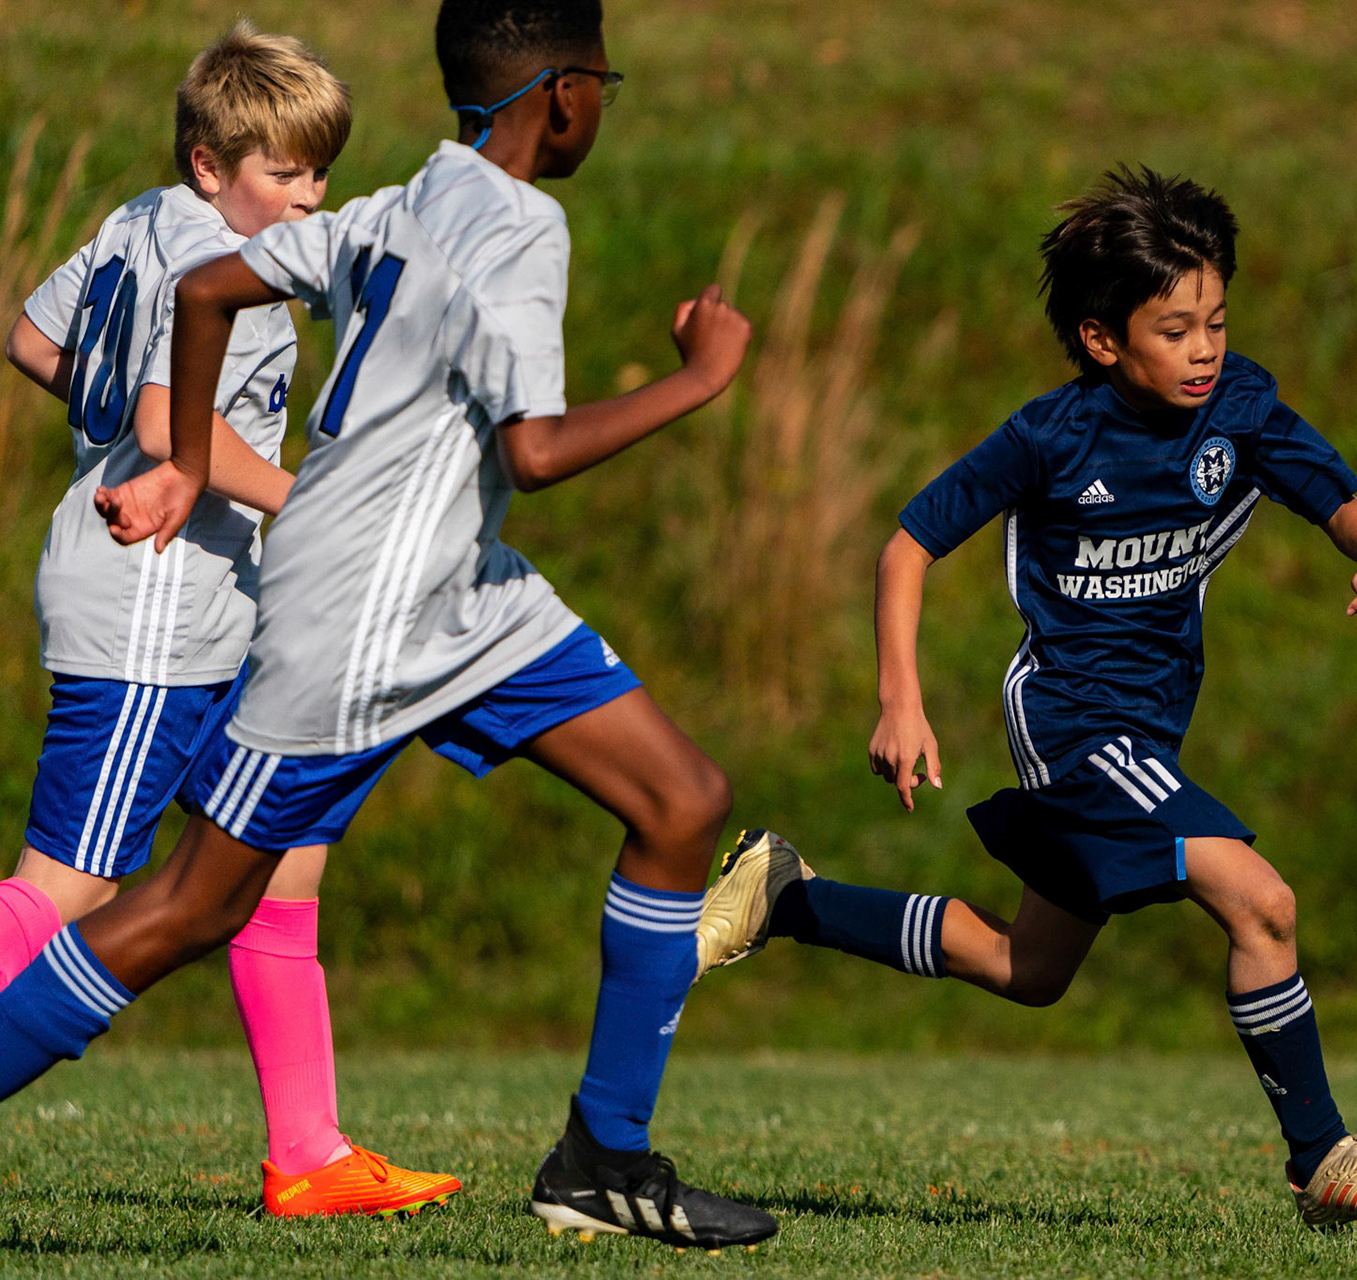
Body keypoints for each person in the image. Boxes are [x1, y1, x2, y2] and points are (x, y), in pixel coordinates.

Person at [0, 0, 775, 1253]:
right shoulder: (521, 225)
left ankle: (601, 1159)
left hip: (466, 595)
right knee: (188, 907)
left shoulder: (399, 202)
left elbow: (205, 291)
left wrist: (189, 459)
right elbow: (535, 444)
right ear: (567, 94)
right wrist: (698, 381)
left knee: (683, 799)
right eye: (606, 85)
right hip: (357, 614)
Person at [698, 166, 1357, 1228]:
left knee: (1028, 964)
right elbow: (909, 542)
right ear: (1105, 341)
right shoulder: (1053, 436)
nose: (1205, 349)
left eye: (1217, 321)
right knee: (1261, 897)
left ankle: (787, 894)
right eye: (1176, 328)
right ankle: (1322, 1154)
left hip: (1150, 724)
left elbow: (1344, 503)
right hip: (1073, 719)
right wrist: (899, 698)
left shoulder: (1241, 408)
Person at [0, 22, 458, 1218]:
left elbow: (31, 336)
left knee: (279, 857)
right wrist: (315, 504)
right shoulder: (234, 277)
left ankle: (307, 1151)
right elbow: (164, 424)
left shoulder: (138, 219)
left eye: (320, 173)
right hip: (150, 604)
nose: (311, 199)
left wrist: (103, 412)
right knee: (68, 883)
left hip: (191, 599)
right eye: (286, 176)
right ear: (212, 164)